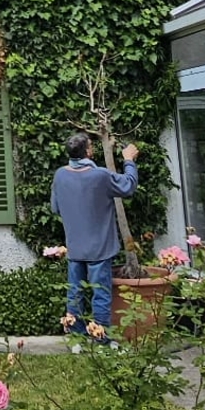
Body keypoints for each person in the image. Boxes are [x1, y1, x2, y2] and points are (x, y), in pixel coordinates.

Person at [51, 132, 137, 338]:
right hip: (100, 247)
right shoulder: (100, 175)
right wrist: (128, 161)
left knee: (74, 294)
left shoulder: (60, 175)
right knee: (101, 294)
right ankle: (101, 338)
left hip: (75, 247)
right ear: (88, 151)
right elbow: (128, 186)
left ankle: (77, 337)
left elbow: (55, 208)